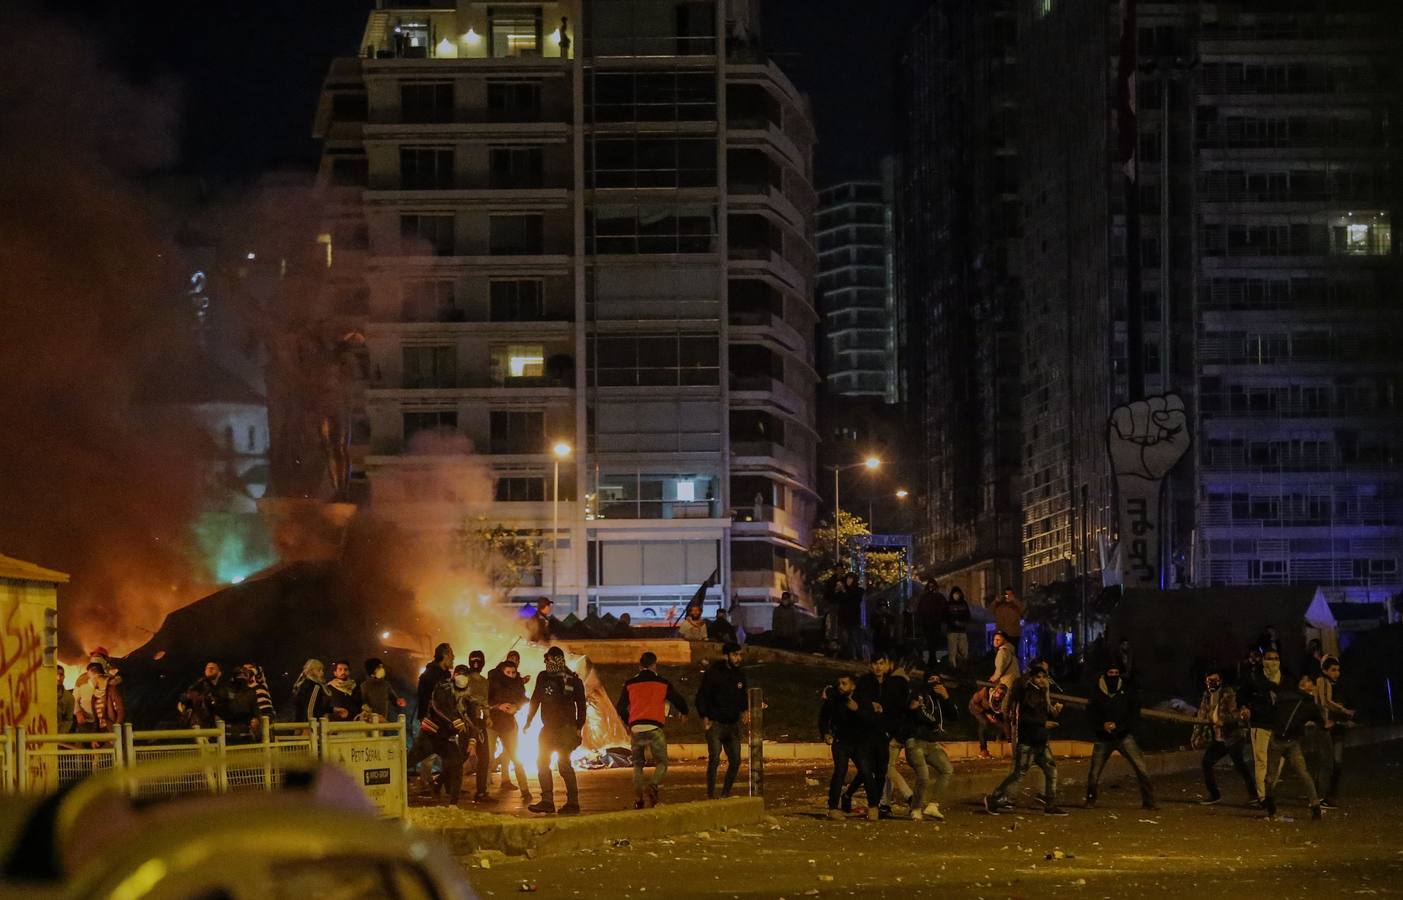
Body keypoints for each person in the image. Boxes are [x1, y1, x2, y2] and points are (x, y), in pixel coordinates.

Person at [984, 666, 1066, 816]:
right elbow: (1024, 719)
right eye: (1038, 677)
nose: (1042, 680)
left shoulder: (1041, 693)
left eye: (1044, 677)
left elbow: (1042, 716)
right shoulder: (1029, 693)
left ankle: (1051, 805)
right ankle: (994, 799)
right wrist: (1043, 724)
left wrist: (1055, 713)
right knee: (1018, 774)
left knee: (1051, 771)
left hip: (1041, 741)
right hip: (1029, 741)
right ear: (1032, 678)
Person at [616, 650, 689, 809]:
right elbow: (678, 699)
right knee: (662, 762)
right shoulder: (662, 682)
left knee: (637, 764)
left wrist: (628, 722)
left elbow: (620, 706)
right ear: (654, 665)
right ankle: (653, 785)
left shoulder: (630, 683)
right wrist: (684, 712)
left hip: (636, 727)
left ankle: (638, 799)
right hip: (655, 727)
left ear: (640, 666)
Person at [845, 653, 911, 817]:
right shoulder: (865, 682)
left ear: (888, 664)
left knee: (881, 770)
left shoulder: (894, 683)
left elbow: (900, 707)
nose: (878, 667)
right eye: (875, 664)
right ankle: (876, 804)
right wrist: (870, 706)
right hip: (867, 732)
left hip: (886, 732)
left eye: (881, 663)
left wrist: (895, 730)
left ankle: (878, 803)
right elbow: (858, 701)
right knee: (867, 770)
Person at [1083, 664, 1155, 809]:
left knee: (1141, 768)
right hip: (1103, 738)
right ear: (1105, 674)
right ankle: (1090, 799)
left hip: (1123, 735)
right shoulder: (1097, 692)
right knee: (1094, 772)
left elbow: (1133, 713)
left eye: (1116, 672)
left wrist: (1121, 727)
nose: (1114, 675)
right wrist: (1102, 726)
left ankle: (1149, 801)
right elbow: (1091, 714)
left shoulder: (1127, 690)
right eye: (1111, 672)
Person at [526, 646, 587, 815]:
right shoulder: (544, 677)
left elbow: (581, 705)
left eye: (549, 659)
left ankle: (572, 803)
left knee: (564, 765)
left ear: (556, 660)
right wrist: (528, 721)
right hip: (549, 729)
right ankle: (547, 801)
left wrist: (578, 727)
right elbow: (535, 700)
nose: (547, 662)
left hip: (564, 729)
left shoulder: (572, 680)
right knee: (543, 763)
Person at [1263, 673, 1325, 820]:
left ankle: (1270, 805)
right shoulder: (1309, 703)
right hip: (1293, 740)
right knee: (1303, 773)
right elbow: (1320, 722)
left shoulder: (1282, 698)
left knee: (1271, 776)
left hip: (1277, 738)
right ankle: (1315, 807)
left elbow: (1272, 715)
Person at [819, 673, 878, 820]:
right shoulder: (834, 699)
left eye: (844, 683)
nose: (840, 686)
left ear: (853, 686)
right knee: (840, 772)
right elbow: (823, 718)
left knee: (866, 772)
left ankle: (873, 807)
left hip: (860, 742)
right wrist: (826, 733)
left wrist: (856, 710)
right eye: (839, 683)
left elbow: (870, 719)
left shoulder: (861, 699)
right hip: (841, 742)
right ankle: (833, 808)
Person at [1193, 669, 1256, 805]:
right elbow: (1201, 714)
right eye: (1209, 681)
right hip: (1219, 738)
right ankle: (1215, 795)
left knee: (1240, 765)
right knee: (1207, 762)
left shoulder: (1228, 694)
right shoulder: (1206, 695)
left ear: (1220, 681)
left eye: (1214, 681)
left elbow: (1236, 714)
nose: (1211, 684)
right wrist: (1196, 735)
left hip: (1232, 736)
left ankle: (1255, 795)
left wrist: (1223, 720)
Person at [695, 641, 749, 799]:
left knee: (736, 760)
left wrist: (744, 710)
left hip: (732, 724)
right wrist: (704, 715)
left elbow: (742, 695)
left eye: (740, 655)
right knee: (714, 759)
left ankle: (725, 793)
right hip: (716, 722)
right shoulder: (714, 673)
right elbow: (703, 695)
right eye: (735, 655)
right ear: (726, 656)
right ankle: (710, 794)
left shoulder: (739, 674)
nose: (738, 658)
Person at [904, 667, 956, 822]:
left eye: (937, 679)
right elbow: (918, 712)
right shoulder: (920, 693)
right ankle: (915, 808)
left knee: (947, 769)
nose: (935, 682)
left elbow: (954, 716)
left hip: (932, 744)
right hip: (916, 741)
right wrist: (934, 723)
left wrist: (946, 697)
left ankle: (933, 805)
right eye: (931, 679)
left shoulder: (940, 699)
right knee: (924, 776)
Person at [417, 664, 472, 806]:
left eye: (464, 674)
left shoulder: (468, 692)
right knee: (452, 762)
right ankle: (453, 799)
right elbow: (440, 707)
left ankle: (439, 784)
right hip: (443, 730)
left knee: (457, 761)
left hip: (460, 730)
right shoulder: (444, 688)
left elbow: (470, 711)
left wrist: (471, 734)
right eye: (459, 673)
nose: (462, 677)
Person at [1239, 647, 1284, 805]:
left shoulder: (1283, 678)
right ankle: (1263, 796)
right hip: (1260, 723)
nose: (1273, 662)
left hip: (1279, 725)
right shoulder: (1255, 678)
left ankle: (1270, 790)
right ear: (1264, 661)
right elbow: (1242, 695)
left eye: (1276, 658)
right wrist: (1245, 707)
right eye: (1270, 658)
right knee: (1261, 760)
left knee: (1278, 761)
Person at [488, 653, 531, 802]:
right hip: (492, 723)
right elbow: (484, 700)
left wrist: (516, 707)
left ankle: (525, 790)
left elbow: (523, 699)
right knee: (488, 757)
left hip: (508, 724)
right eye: (508, 673)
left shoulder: (517, 683)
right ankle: (483, 790)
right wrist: (498, 706)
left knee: (515, 757)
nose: (511, 675)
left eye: (513, 673)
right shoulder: (493, 680)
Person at [1313, 656, 1353, 807]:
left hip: (1338, 726)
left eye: (1338, 670)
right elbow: (1324, 703)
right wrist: (1343, 710)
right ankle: (1318, 795)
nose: (1336, 673)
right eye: (1333, 670)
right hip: (1327, 726)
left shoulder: (1339, 685)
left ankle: (1330, 795)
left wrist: (1346, 713)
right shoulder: (1322, 682)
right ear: (1325, 670)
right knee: (1326, 762)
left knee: (1337, 762)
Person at [410, 643, 454, 782]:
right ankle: (425, 781)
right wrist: (424, 718)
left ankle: (444, 782)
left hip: (445, 719)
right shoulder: (429, 675)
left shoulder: (445, 674)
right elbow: (423, 697)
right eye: (451, 655)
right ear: (445, 655)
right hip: (432, 719)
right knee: (427, 752)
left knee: (448, 751)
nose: (453, 658)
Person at [464, 651, 492, 801]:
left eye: (479, 660)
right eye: (473, 660)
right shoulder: (464, 679)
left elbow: (485, 701)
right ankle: (441, 782)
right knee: (461, 755)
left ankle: (481, 792)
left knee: (484, 758)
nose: (476, 663)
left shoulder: (484, 681)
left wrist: (487, 716)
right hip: (467, 722)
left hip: (479, 723)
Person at [74, 661, 124, 732]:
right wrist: (95, 738)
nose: (89, 681)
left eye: (90, 677)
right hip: (102, 730)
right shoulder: (95, 694)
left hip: (112, 730)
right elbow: (97, 718)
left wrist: (116, 731)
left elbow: (121, 711)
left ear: (94, 675)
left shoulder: (112, 688)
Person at [179, 661, 230, 728]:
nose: (210, 669)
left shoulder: (224, 686)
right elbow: (184, 698)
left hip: (219, 723)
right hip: (201, 724)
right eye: (207, 668)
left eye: (212, 668)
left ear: (219, 672)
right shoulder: (199, 683)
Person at [968, 683, 1008, 759]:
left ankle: (999, 737)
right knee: (984, 723)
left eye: (1002, 694)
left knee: (1001, 725)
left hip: (990, 710)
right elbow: (974, 703)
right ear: (995, 690)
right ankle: (983, 751)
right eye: (997, 692)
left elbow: (1005, 716)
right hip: (977, 707)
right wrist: (986, 714)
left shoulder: (1005, 701)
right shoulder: (985, 692)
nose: (998, 696)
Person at [914, 579, 948, 668]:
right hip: (927, 624)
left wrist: (942, 618)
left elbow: (944, 608)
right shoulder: (924, 598)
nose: (931, 588)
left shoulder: (939, 597)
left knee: (934, 643)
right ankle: (930, 661)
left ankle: (932, 661)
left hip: (935, 624)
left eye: (933, 586)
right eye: (930, 586)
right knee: (929, 643)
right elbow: (920, 610)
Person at [289, 659, 329, 724]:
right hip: (310, 724)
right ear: (311, 671)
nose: (322, 672)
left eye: (322, 670)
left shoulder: (302, 684)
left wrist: (334, 710)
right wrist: (309, 725)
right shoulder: (314, 686)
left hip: (299, 722)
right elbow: (310, 707)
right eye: (319, 670)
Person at [838, 573, 866, 660]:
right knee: (845, 640)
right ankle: (846, 657)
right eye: (847, 579)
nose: (848, 581)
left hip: (853, 620)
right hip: (844, 619)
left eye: (850, 579)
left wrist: (843, 591)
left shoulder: (858, 591)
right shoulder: (843, 591)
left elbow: (852, 599)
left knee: (855, 640)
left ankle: (859, 657)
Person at [991, 630, 1020, 708]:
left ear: (1005, 640)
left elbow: (999, 671)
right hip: (1015, 682)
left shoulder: (1002, 652)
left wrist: (993, 678)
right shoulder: (1011, 651)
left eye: (998, 639)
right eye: (994, 639)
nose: (995, 641)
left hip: (1006, 684)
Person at [946, 586, 971, 668]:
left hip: (962, 631)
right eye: (955, 594)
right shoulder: (949, 604)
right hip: (952, 631)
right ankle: (953, 668)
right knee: (952, 651)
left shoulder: (964, 604)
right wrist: (953, 622)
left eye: (958, 594)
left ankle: (963, 667)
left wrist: (962, 623)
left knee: (964, 651)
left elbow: (968, 616)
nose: (956, 595)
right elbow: (946, 617)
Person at [56, 666, 75, 734]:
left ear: (64, 676)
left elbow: (68, 720)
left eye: (61, 675)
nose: (58, 678)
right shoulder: (42, 693)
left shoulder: (68, 697)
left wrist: (61, 734)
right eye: (56, 674)